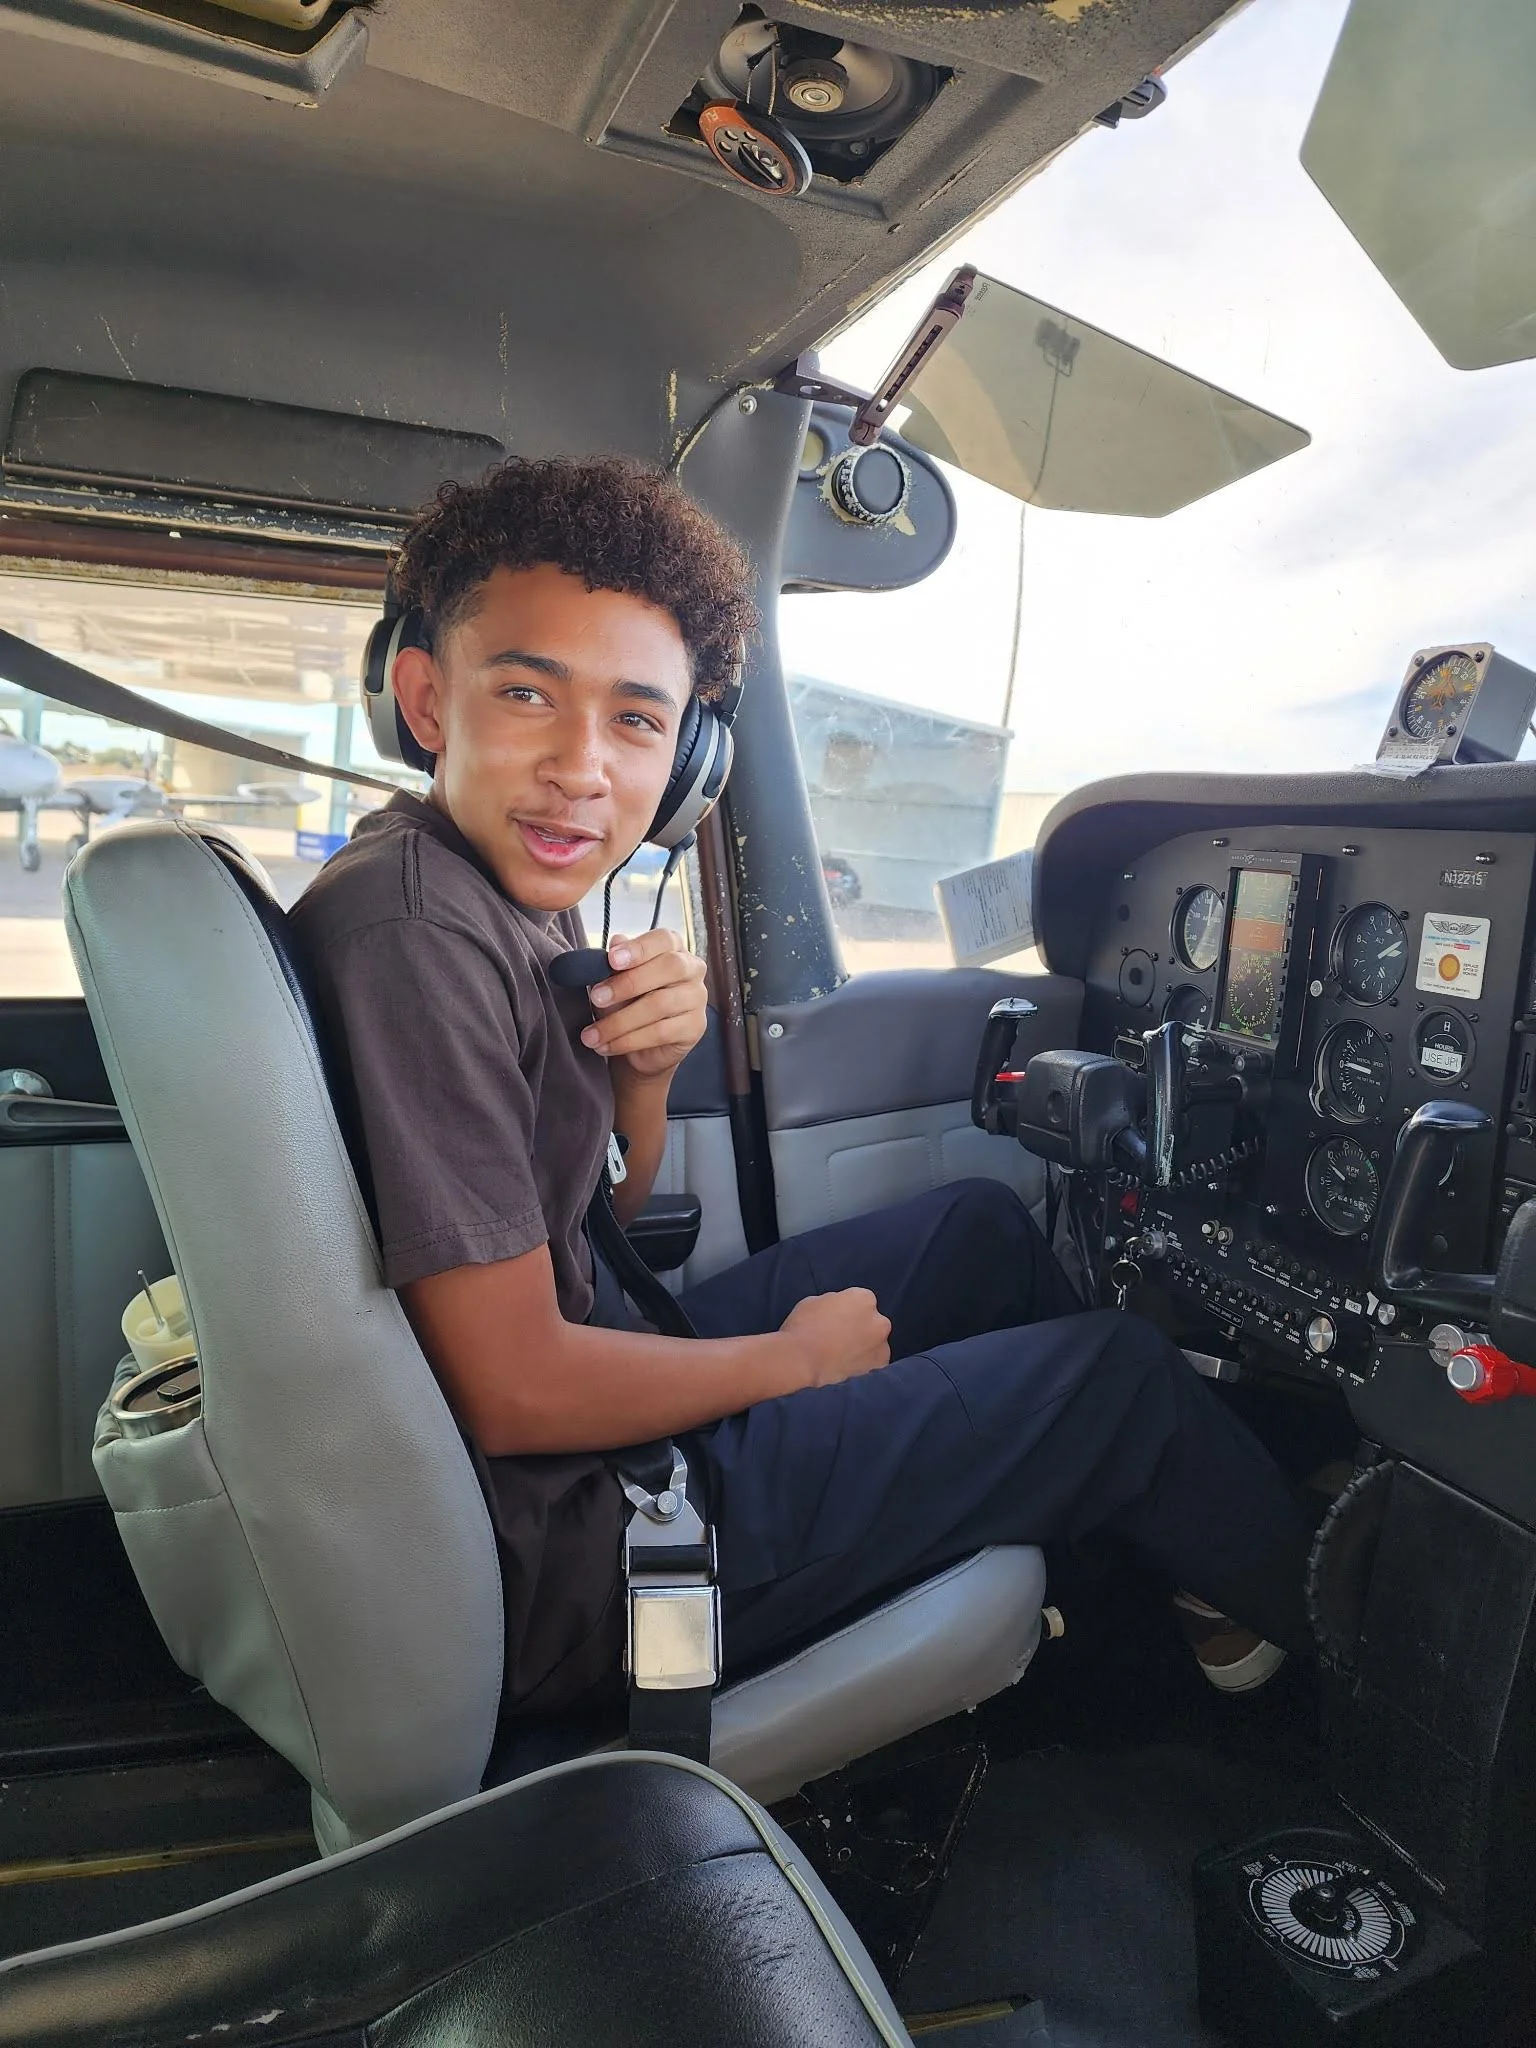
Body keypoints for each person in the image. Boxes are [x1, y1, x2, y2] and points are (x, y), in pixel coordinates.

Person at [290, 454, 1313, 1726]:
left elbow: (597, 1205)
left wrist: (645, 1078)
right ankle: (1348, 1670)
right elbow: (515, 1389)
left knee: (977, 1230)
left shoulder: (486, 892)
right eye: (526, 693)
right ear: (426, 698)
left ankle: (1107, 1522)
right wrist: (788, 1364)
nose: (582, 767)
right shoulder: (419, 938)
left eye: (636, 719)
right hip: (583, 1542)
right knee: (1119, 1378)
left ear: (686, 757)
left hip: (587, 1426)